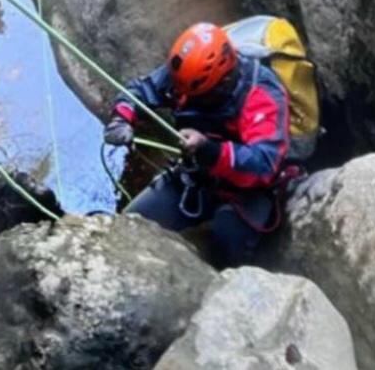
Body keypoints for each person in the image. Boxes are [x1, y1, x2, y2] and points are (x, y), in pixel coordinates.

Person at [102, 22, 291, 268]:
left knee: (228, 242)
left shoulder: (262, 94)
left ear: (222, 82)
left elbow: (264, 164)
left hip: (248, 191)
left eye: (200, 96)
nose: (187, 98)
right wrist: (122, 117)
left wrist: (209, 150)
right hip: (197, 176)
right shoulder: (188, 76)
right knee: (131, 224)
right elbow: (143, 88)